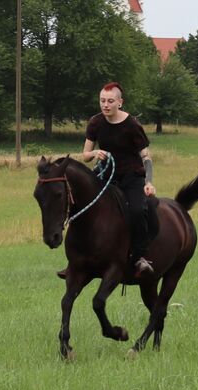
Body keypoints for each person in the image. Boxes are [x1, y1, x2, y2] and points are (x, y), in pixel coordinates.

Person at [58, 81, 155, 278]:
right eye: (102, 101)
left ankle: (140, 257)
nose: (105, 105)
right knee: (81, 208)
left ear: (120, 102)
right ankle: (75, 262)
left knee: (137, 211)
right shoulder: (95, 122)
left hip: (131, 177)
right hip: (105, 175)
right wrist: (95, 152)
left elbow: (146, 156)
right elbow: (85, 155)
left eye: (110, 101)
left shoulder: (132, 125)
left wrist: (148, 182)